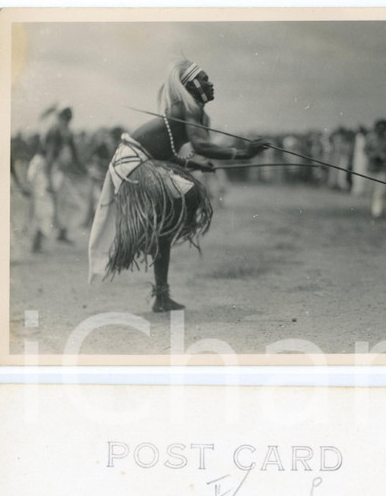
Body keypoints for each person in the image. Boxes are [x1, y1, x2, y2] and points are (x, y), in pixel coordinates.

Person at [88, 59, 268, 311]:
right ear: (191, 85)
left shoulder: (195, 112)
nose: (210, 83)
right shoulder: (189, 107)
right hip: (131, 162)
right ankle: (147, 238)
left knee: (166, 229)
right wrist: (242, 153)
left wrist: (197, 165)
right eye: (204, 79)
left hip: (139, 161)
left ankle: (161, 295)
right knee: (190, 192)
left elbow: (166, 154)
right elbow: (201, 146)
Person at [27, 105, 83, 252]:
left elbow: (74, 155)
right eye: (65, 118)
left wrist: (83, 170)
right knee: (45, 206)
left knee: (65, 202)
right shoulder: (55, 131)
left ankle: (60, 233)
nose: (66, 121)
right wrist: (49, 182)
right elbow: (49, 158)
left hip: (52, 169)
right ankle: (36, 242)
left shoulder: (65, 132)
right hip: (43, 168)